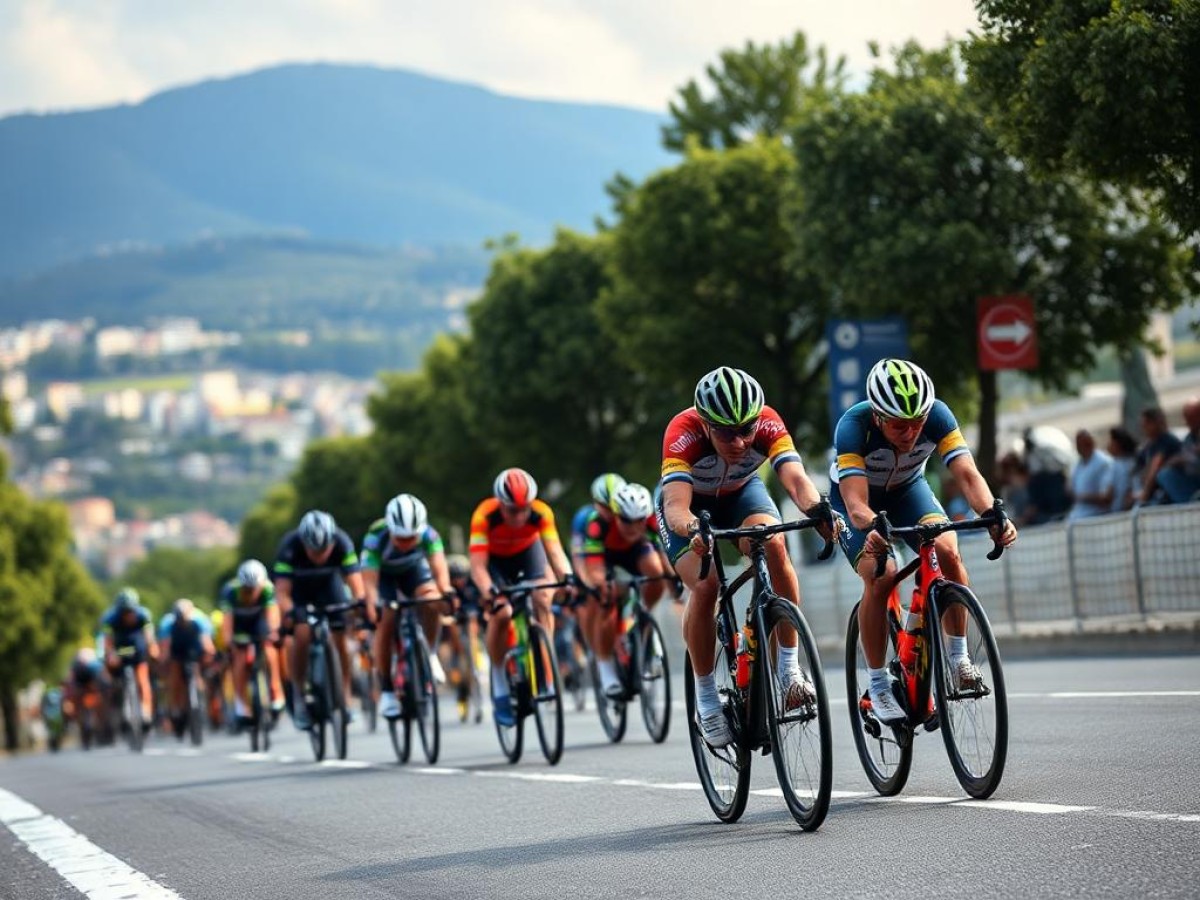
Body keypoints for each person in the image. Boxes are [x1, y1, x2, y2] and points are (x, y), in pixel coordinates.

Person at [830, 359, 1017, 726]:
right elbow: (854, 503)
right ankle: (878, 682)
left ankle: (958, 658)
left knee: (947, 551)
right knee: (881, 574)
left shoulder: (938, 415)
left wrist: (994, 515)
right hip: (859, 504)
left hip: (908, 492)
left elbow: (966, 472)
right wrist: (872, 528)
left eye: (918, 423)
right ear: (879, 417)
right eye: (900, 425)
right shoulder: (853, 426)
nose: (911, 432)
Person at [657, 366, 835, 748]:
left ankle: (787, 670)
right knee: (706, 587)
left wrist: (816, 509)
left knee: (772, 545)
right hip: (690, 508)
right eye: (725, 432)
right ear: (705, 425)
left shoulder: (768, 422)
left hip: (741, 494)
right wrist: (693, 530)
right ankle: (706, 699)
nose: (738, 442)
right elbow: (675, 507)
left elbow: (796, 479)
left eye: (746, 430)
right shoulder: (682, 430)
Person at [468, 467, 575, 727]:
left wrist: (568, 577)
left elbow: (554, 551)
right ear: (501, 504)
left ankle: (544, 661)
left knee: (542, 598)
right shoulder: (485, 515)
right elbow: (478, 566)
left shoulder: (541, 512)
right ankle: (500, 682)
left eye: (524, 509)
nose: (519, 516)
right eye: (512, 510)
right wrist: (488, 590)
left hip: (528, 555)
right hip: (495, 563)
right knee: (502, 613)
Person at [274, 510, 375, 731]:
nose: (318, 555)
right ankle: (300, 695)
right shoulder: (290, 547)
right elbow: (281, 593)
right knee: (301, 634)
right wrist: (291, 612)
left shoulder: (341, 542)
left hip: (330, 589)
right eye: (313, 550)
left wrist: (360, 606)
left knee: (341, 643)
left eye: (323, 550)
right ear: (304, 543)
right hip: (299, 593)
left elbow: (356, 584)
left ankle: (344, 697)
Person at [573, 480, 673, 699]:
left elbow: (663, 556)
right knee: (607, 599)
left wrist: (673, 581)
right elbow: (594, 566)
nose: (634, 527)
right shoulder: (597, 523)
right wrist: (602, 584)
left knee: (656, 572)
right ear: (615, 515)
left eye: (639, 521)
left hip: (634, 551)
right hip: (605, 557)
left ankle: (643, 617)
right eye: (627, 521)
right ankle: (606, 668)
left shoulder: (650, 521)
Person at [361, 493, 453, 721]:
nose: (405, 543)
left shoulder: (429, 534)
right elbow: (370, 582)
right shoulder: (375, 536)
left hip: (413, 572)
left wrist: (446, 593)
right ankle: (387, 690)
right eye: (400, 538)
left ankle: (429, 653)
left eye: (411, 538)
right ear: (390, 529)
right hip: (384, 577)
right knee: (386, 618)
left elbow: (440, 572)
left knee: (431, 600)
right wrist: (372, 605)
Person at [219, 559, 285, 724]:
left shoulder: (268, 589)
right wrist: (228, 641)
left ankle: (276, 691)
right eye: (247, 589)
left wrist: (273, 632)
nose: (251, 593)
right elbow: (227, 621)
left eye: (254, 589)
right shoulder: (230, 591)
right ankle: (242, 704)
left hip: (259, 623)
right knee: (239, 660)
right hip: (239, 625)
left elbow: (272, 615)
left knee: (270, 651)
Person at [156, 598, 216, 737]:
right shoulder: (168, 624)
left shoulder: (200, 621)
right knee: (175, 676)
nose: (183, 622)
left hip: (194, 648)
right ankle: (176, 709)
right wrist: (163, 663)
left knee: (197, 671)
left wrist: (208, 658)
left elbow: (207, 645)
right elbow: (165, 650)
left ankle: (199, 695)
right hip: (177, 649)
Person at [99, 587, 158, 726]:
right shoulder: (109, 620)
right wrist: (111, 655)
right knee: (111, 670)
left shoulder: (144, 616)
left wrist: (153, 649)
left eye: (130, 612)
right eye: (124, 612)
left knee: (142, 679)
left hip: (137, 650)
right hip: (120, 650)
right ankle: (121, 701)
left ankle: (145, 711)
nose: (127, 615)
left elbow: (149, 637)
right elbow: (107, 641)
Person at [1134, 407, 1185, 505]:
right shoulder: (1148, 446)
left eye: (1146, 424)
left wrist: (1144, 496)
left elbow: (1155, 467)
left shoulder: (1166, 441)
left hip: (1167, 493)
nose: (1143, 428)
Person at [1153, 398, 1200, 503]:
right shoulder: (1190, 438)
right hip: (1192, 475)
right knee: (1165, 475)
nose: (1186, 423)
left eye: (1190, 418)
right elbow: (1185, 456)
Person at [1067, 429, 1114, 520]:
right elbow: (1071, 486)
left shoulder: (1103, 462)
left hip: (1095, 515)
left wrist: (1083, 497)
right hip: (1078, 516)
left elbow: (1106, 497)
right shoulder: (1078, 464)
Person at [1103, 426, 1139, 513]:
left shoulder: (1115, 466)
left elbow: (1108, 495)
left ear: (1117, 444)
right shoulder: (1134, 462)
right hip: (1134, 511)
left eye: (1111, 441)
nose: (1108, 444)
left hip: (1118, 513)